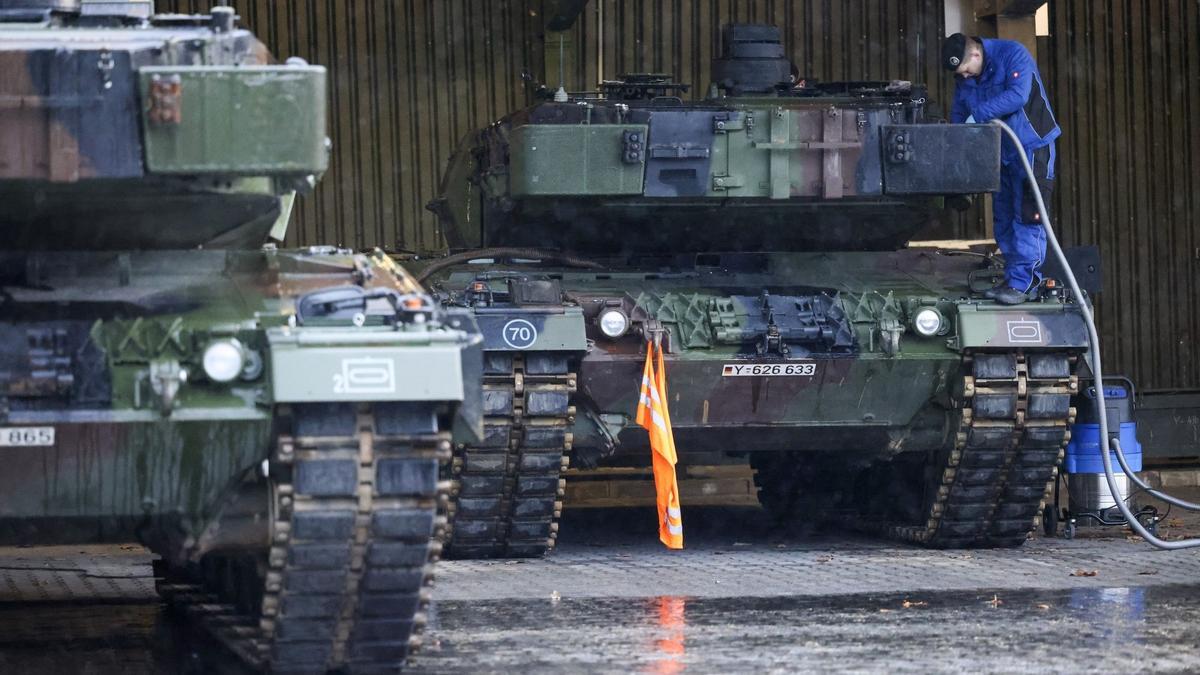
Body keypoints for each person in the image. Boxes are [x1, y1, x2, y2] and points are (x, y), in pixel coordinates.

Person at [942, 33, 1060, 305]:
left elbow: (1017, 95)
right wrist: (955, 143)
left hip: (1032, 147)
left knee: (1027, 216)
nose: (966, 77)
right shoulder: (965, 79)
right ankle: (1012, 278)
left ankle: (1025, 281)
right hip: (1001, 153)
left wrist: (979, 116)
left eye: (967, 71)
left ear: (975, 55)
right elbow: (960, 112)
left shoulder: (1013, 53)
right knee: (1004, 216)